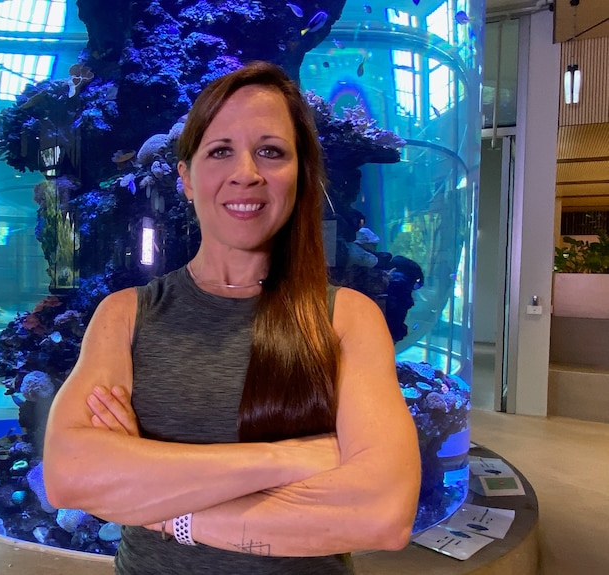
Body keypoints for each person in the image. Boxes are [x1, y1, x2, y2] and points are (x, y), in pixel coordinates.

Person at [43, 61, 420, 574]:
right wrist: (293, 457)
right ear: (186, 178)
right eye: (220, 151)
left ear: (300, 175)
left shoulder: (346, 318)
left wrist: (168, 513)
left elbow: (382, 514)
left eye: (271, 151)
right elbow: (70, 474)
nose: (246, 172)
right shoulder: (125, 315)